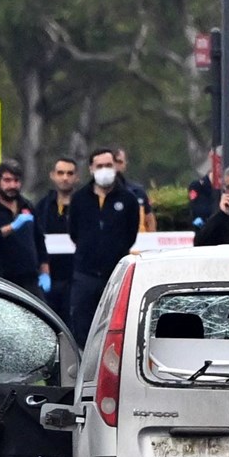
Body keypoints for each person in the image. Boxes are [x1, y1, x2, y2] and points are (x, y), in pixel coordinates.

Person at [68, 148, 140, 347]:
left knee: (117, 323)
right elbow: (74, 232)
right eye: (99, 166)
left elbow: (130, 234)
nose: (104, 170)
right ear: (91, 168)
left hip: (115, 273)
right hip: (85, 274)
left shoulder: (128, 199)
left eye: (108, 165)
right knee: (82, 324)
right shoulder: (79, 199)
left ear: (116, 166)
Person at [0, 160, 50, 299]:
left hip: (30, 279)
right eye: (7, 180)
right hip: (3, 279)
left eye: (16, 181)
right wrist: (12, 227)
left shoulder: (27, 206)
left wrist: (45, 273)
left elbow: (39, 241)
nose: (12, 185)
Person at [35, 156, 78, 326]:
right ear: (52, 175)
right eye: (60, 173)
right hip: (50, 274)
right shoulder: (42, 206)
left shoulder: (83, 204)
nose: (65, 177)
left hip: (76, 276)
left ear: (76, 177)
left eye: (69, 173)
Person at [114, 147, 156, 232]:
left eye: (120, 162)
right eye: (113, 162)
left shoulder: (138, 191)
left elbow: (150, 221)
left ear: (125, 164)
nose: (116, 166)